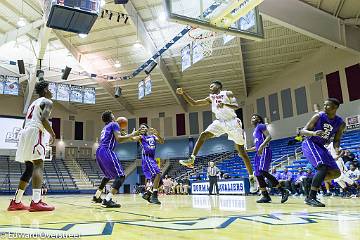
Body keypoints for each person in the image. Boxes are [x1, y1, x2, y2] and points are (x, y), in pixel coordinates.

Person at [176, 82, 257, 193]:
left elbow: (236, 106)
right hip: (220, 122)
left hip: (233, 122)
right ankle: (192, 158)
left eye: (212, 85)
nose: (210, 87)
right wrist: (183, 93)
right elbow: (194, 103)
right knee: (203, 135)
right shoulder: (211, 97)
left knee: (242, 152)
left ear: (218, 86)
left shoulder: (228, 93)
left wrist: (225, 105)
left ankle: (252, 177)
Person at [8, 81, 56, 212]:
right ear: (46, 90)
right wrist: (52, 134)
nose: (51, 91)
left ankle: (16, 201)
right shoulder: (47, 101)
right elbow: (44, 119)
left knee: (29, 168)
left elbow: (25, 123)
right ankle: (36, 201)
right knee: (39, 164)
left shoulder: (32, 104)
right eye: (50, 88)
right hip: (36, 131)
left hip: (25, 133)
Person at [300, 98, 345, 207]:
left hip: (321, 146)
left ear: (335, 108)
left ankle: (309, 181)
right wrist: (314, 133)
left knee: (336, 172)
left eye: (327, 105)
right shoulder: (318, 116)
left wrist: (337, 149)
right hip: (310, 143)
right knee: (322, 167)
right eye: (324, 105)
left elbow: (337, 140)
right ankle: (311, 197)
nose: (324, 107)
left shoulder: (340, 123)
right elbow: (302, 131)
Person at [92, 111, 138, 208]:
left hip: (99, 152)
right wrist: (132, 134)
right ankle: (108, 199)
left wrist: (132, 136)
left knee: (107, 176)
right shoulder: (114, 124)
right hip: (107, 150)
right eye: (113, 115)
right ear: (111, 117)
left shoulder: (106, 127)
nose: (115, 116)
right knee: (121, 176)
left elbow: (122, 137)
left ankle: (97, 196)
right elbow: (119, 139)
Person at [247, 114, 289, 203]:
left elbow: (269, 136)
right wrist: (246, 150)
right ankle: (265, 195)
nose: (252, 118)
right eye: (252, 117)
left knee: (263, 171)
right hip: (259, 152)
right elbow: (256, 147)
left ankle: (283, 190)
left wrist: (262, 146)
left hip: (265, 150)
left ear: (259, 120)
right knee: (258, 174)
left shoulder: (261, 126)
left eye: (255, 117)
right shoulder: (255, 131)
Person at [132, 123, 164, 204]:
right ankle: (154, 196)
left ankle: (148, 194)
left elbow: (162, 141)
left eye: (143, 127)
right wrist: (133, 134)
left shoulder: (153, 136)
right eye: (140, 128)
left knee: (160, 182)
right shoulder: (141, 137)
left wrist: (158, 134)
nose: (142, 129)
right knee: (158, 173)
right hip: (146, 158)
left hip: (152, 158)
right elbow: (133, 139)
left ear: (147, 128)